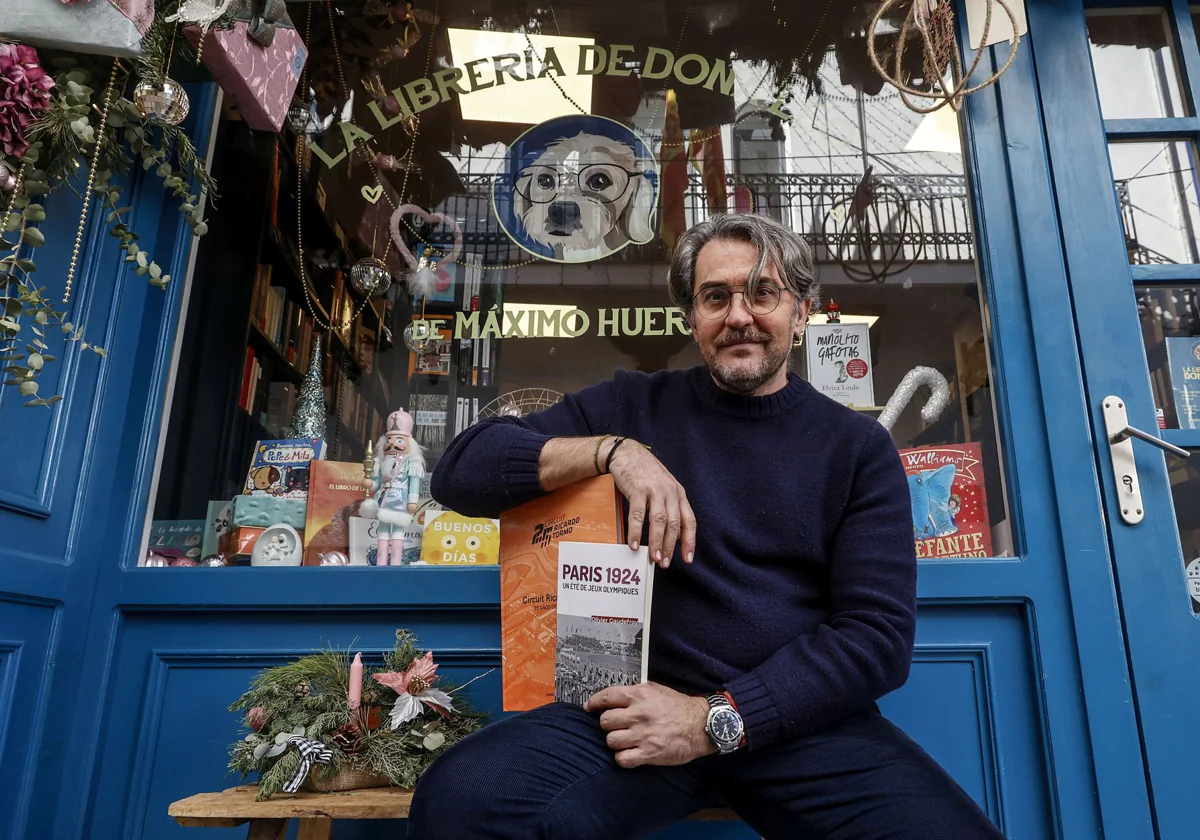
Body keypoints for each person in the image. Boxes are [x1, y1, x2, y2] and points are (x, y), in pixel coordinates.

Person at [406, 213, 1005, 839]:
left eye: (763, 293)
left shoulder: (854, 448)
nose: (738, 315)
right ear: (693, 318)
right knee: (462, 800)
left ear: (801, 313)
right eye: (715, 297)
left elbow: (875, 638)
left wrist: (709, 721)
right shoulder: (632, 405)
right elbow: (460, 472)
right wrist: (614, 452)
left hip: (798, 724)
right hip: (636, 714)